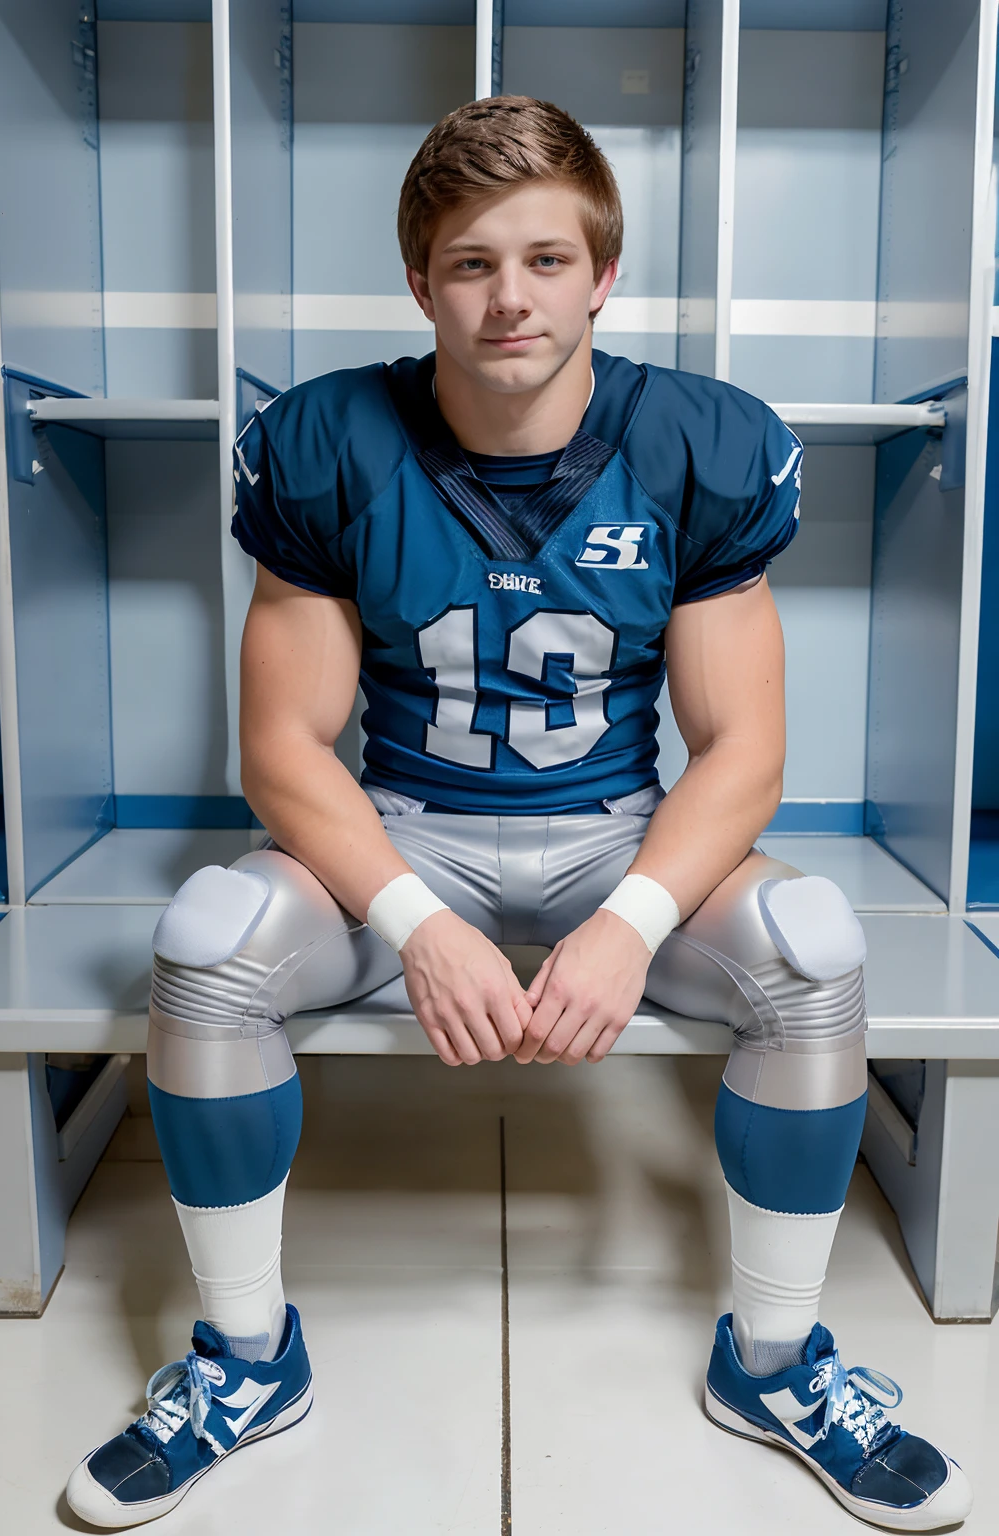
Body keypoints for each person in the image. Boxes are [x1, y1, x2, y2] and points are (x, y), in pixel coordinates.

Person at [66, 96, 971, 1530]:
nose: (511, 299)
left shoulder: (697, 440)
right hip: (405, 822)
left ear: (602, 274)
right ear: (420, 281)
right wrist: (416, 922)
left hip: (617, 825)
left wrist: (625, 924)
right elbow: (284, 752)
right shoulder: (326, 440)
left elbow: (742, 751)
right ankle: (246, 1358)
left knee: (809, 946)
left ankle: (778, 1358)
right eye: (473, 263)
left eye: (548, 260)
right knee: (207, 938)